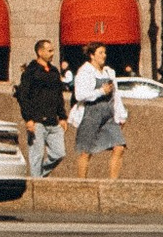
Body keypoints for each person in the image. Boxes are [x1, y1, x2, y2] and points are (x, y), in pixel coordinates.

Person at [70, 43, 128, 180]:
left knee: (119, 147)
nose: (104, 55)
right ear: (92, 55)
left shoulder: (109, 72)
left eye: (104, 52)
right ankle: (81, 183)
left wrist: (121, 115)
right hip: (91, 113)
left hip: (108, 114)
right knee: (86, 151)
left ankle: (112, 183)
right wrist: (101, 91)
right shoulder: (84, 71)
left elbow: (116, 95)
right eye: (100, 53)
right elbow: (80, 95)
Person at [15, 43, 68, 181]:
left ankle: (39, 176)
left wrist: (62, 116)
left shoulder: (54, 71)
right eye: (49, 51)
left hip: (53, 120)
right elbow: (23, 96)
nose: (52, 53)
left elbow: (58, 95)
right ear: (40, 52)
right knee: (36, 156)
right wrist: (28, 119)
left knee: (59, 153)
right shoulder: (31, 72)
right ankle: (36, 182)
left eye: (53, 50)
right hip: (36, 121)